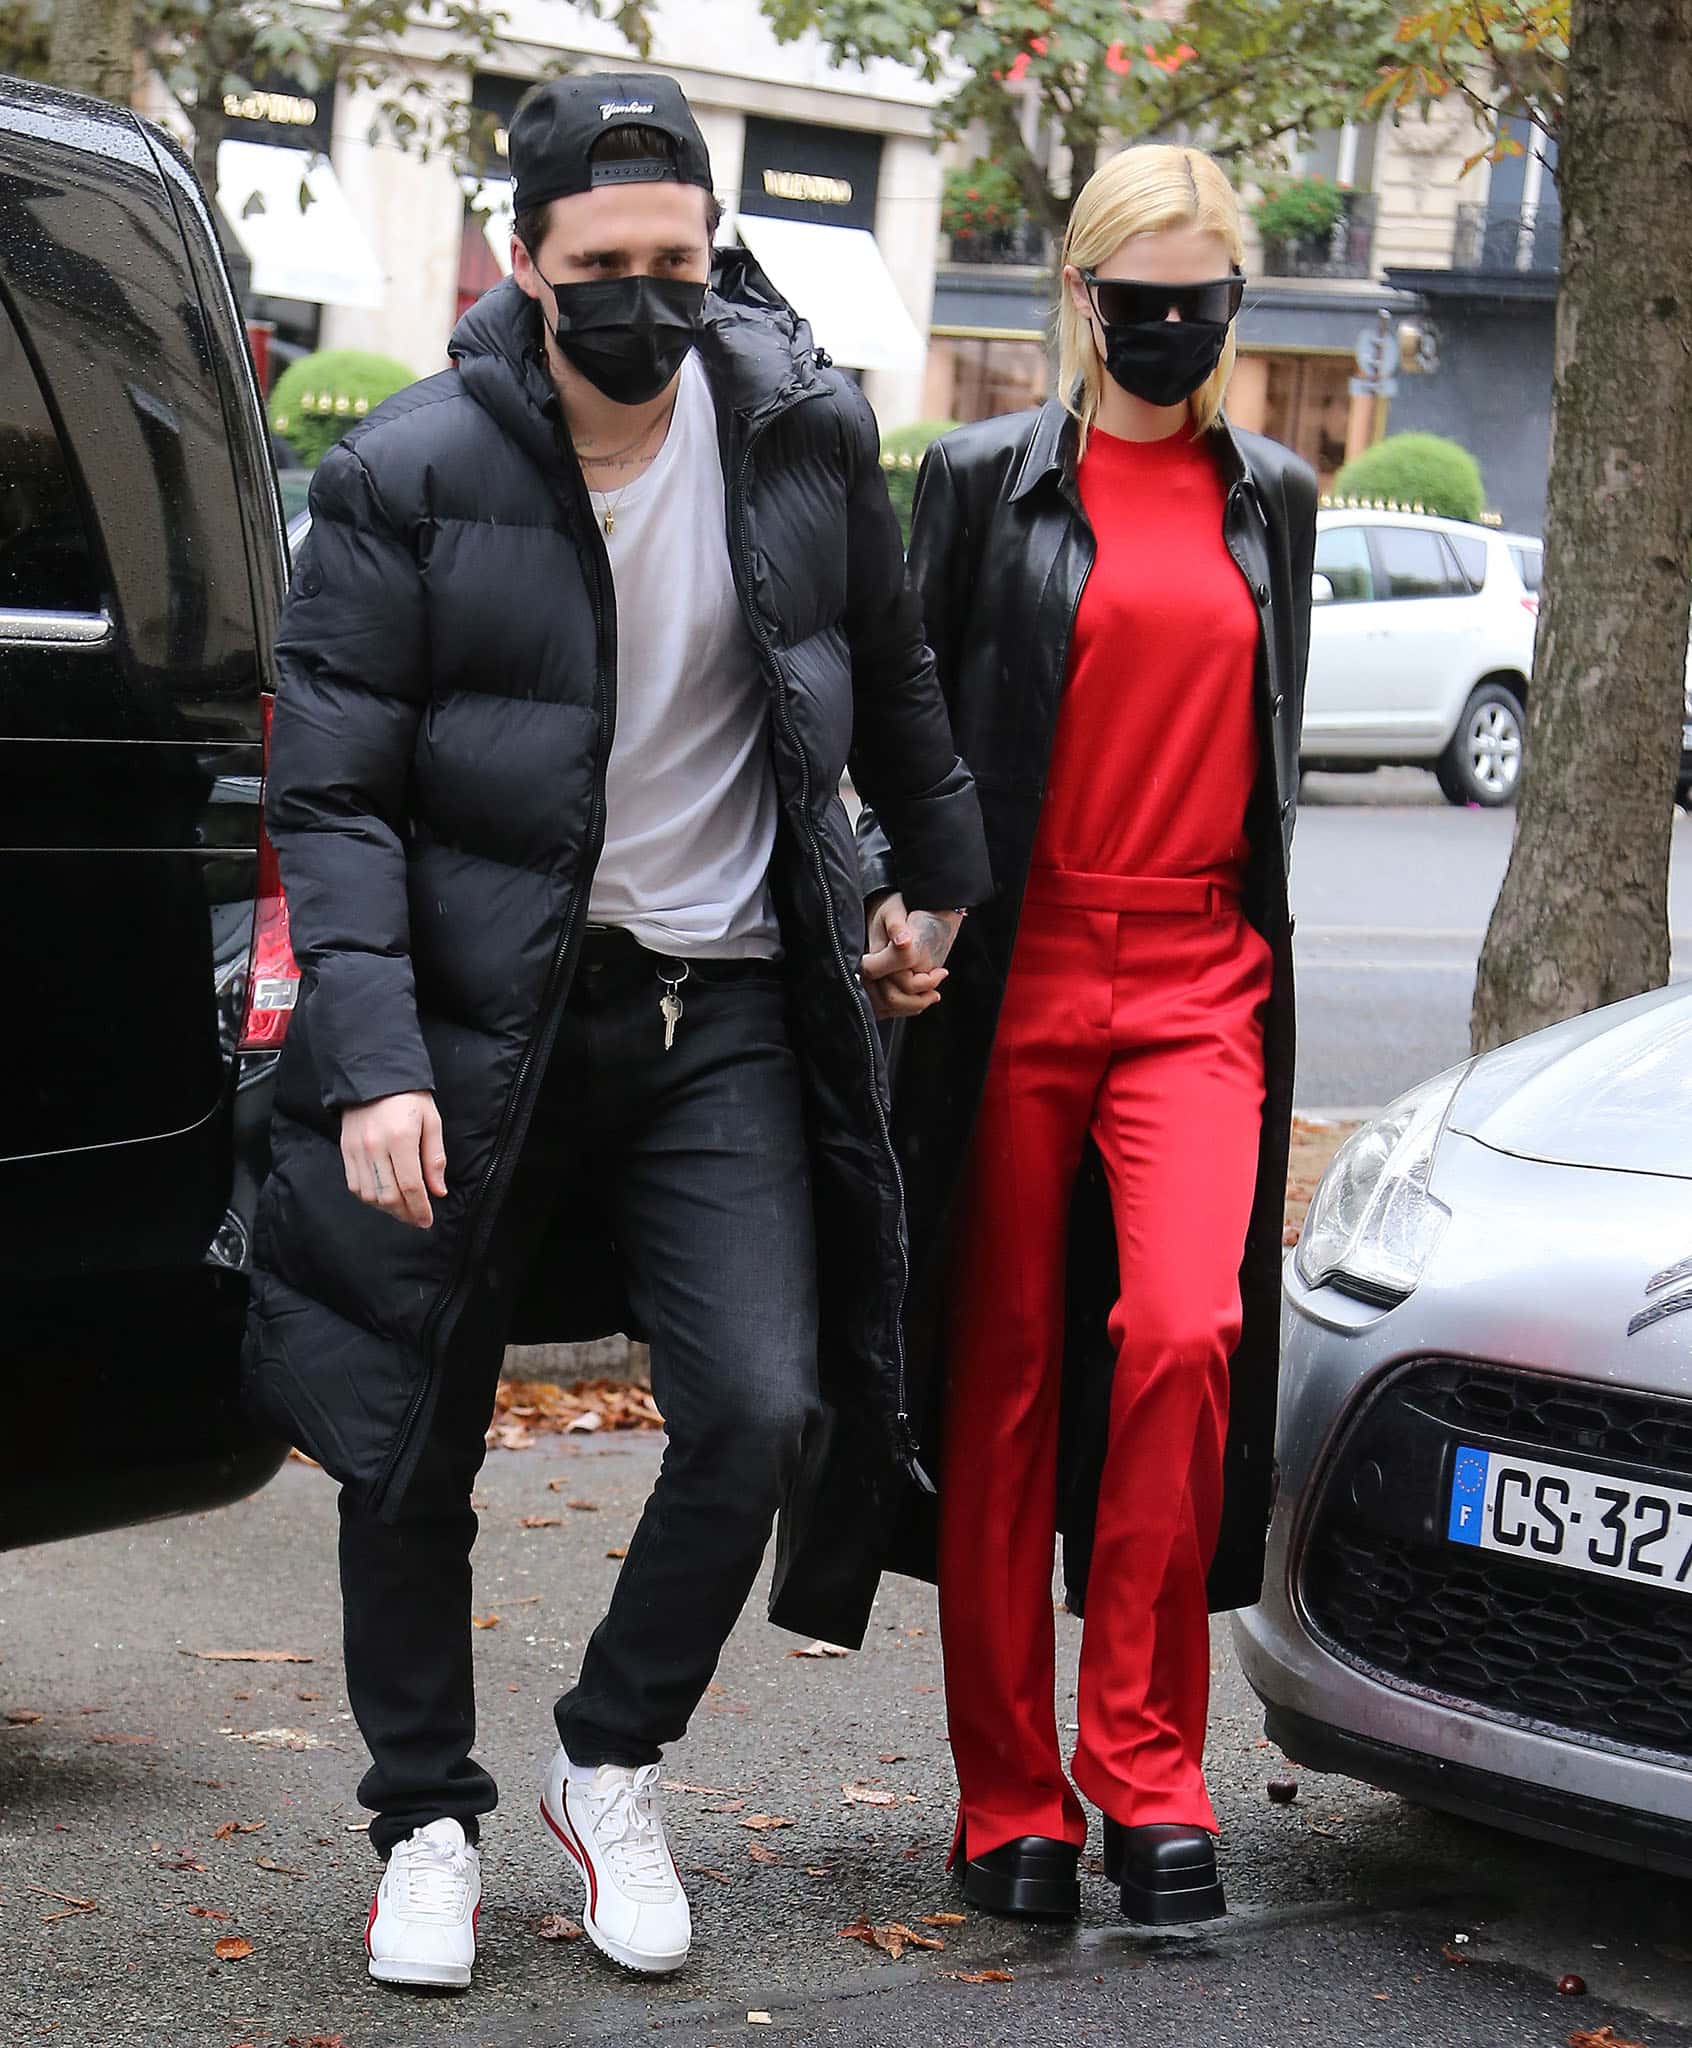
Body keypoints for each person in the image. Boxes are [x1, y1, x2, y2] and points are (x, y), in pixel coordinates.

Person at [243, 71, 989, 1993]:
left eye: (678, 260)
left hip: (720, 998)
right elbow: (330, 796)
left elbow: (888, 675)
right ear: (525, 261)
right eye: (607, 267)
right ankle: (422, 1812)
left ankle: (608, 1761)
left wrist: (933, 879)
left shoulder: (801, 433)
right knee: (412, 1427)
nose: (648, 298)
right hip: (479, 1010)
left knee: (760, 1401)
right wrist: (380, 1053)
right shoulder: (411, 472)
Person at [854, 143, 1316, 1927]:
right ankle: (1007, 1796)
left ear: (1235, 305)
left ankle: (1147, 1763)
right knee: (1006, 1376)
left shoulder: (1273, 493)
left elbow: (1275, 778)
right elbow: (912, 732)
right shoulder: (979, 482)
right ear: (1080, 294)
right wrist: (905, 909)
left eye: (1203, 298)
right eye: (1142, 297)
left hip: (1204, 978)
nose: (1172, 325)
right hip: (1019, 969)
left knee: (1186, 1332)